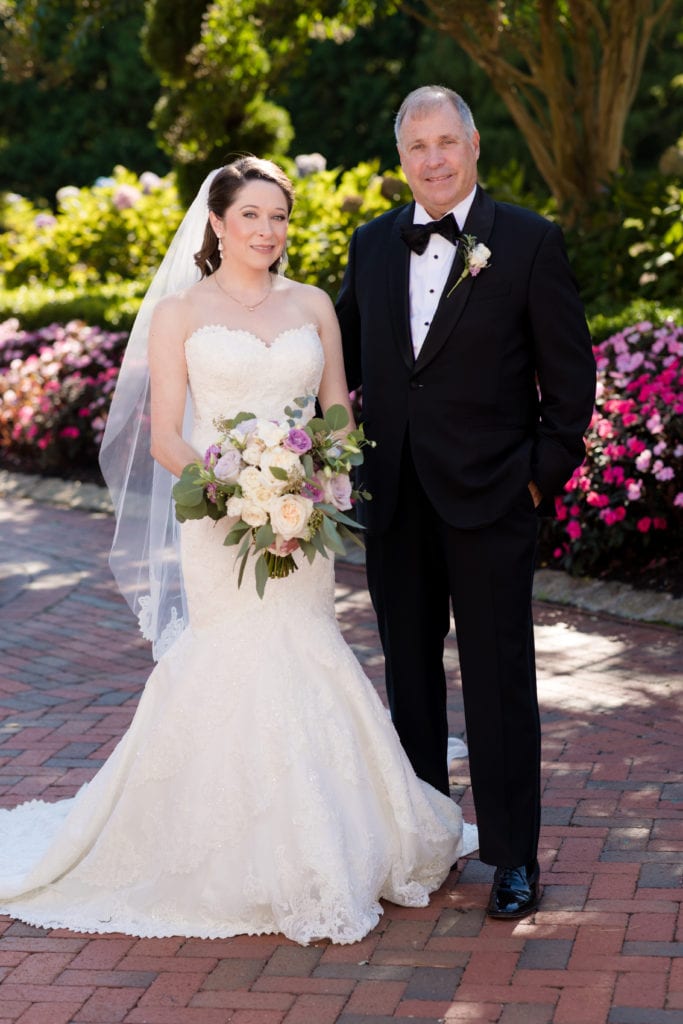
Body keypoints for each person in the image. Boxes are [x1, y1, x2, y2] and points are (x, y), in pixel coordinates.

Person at [0, 156, 477, 945]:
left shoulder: (315, 304)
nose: (267, 231)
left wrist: (312, 480)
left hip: (302, 517)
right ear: (217, 223)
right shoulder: (181, 313)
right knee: (232, 655)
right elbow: (163, 439)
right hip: (219, 523)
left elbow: (337, 417)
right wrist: (235, 488)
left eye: (279, 218)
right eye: (251, 216)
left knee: (307, 647)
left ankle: (339, 842)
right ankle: (223, 850)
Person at [336, 86, 596, 920]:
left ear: (475, 146)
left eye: (447, 141)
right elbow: (326, 357)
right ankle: (426, 841)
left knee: (497, 684)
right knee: (409, 684)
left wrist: (533, 479)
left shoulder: (526, 241)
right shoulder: (372, 245)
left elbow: (570, 386)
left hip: (491, 500)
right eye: (418, 146)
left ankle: (514, 858)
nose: (434, 159)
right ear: (400, 157)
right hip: (397, 502)